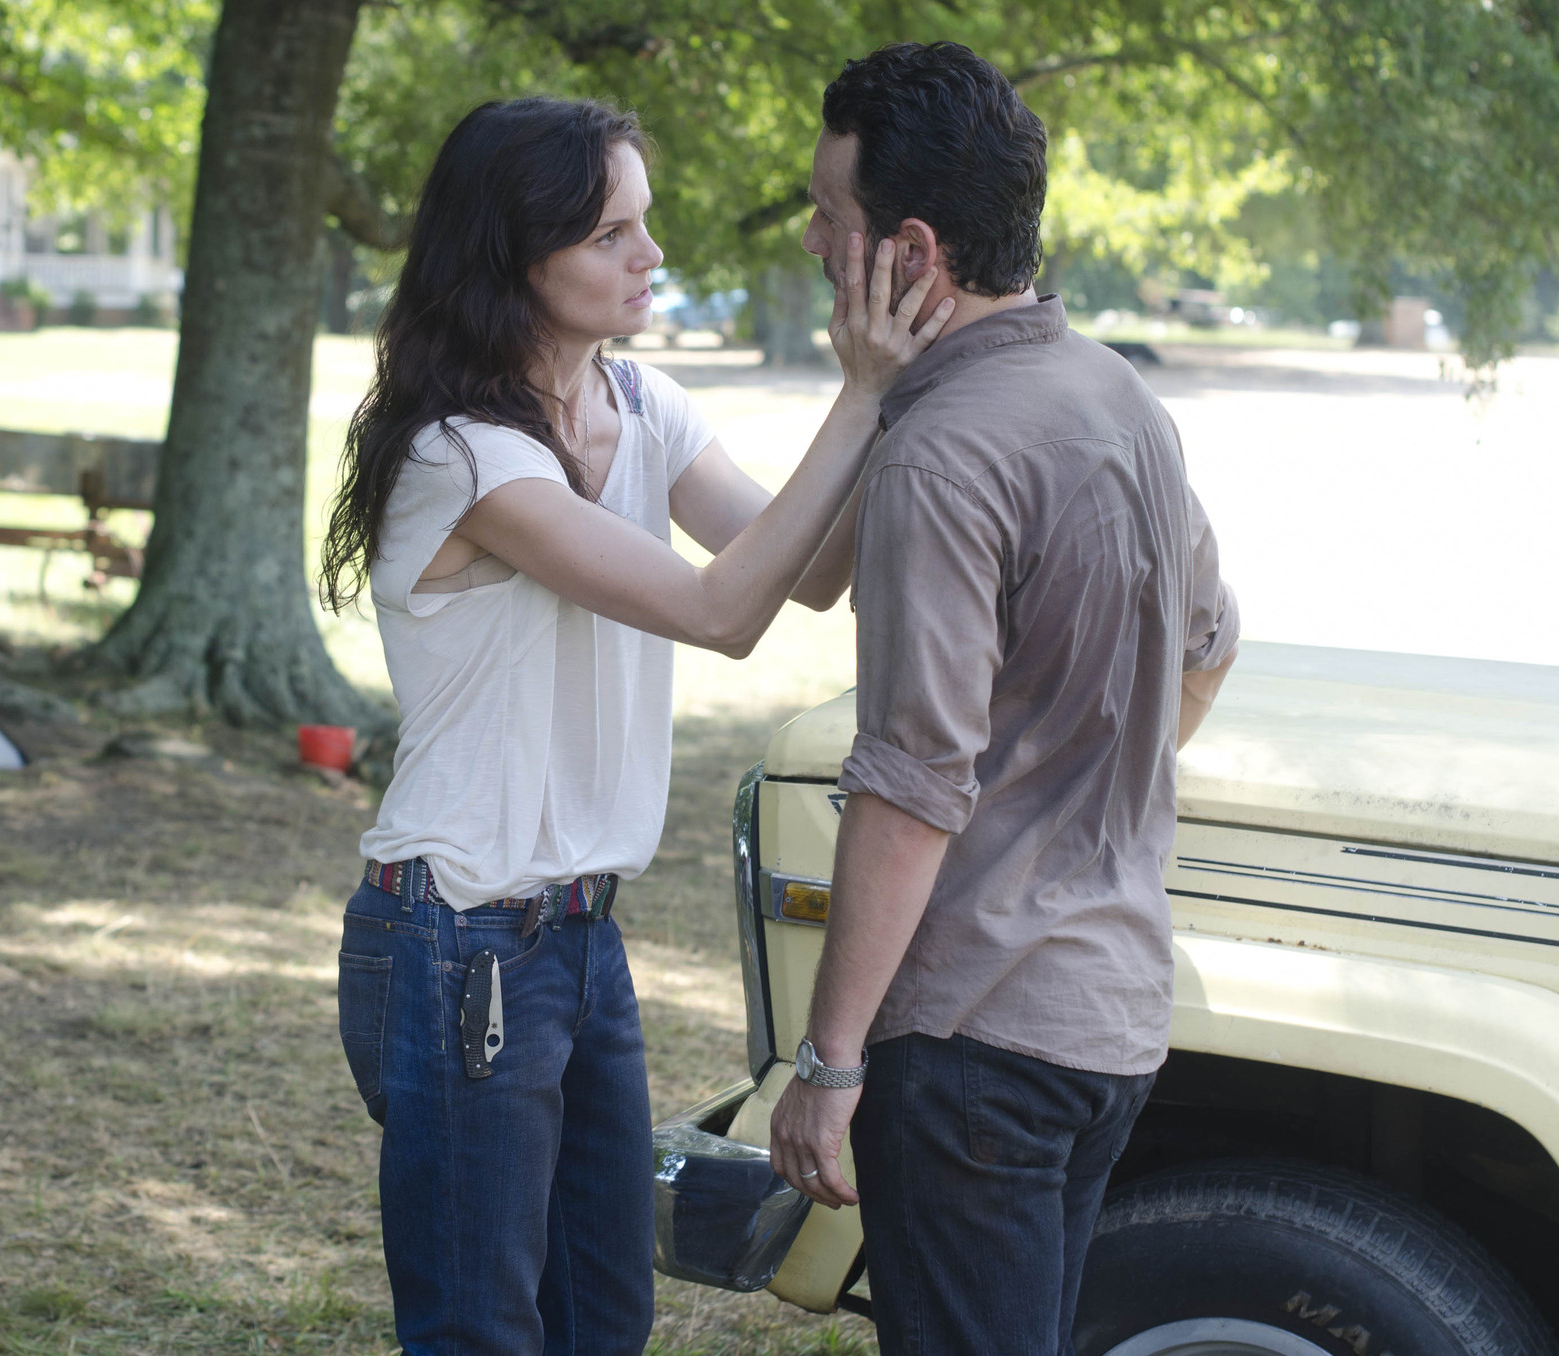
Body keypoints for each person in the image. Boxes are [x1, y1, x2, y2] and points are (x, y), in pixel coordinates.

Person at [319, 97, 951, 1355]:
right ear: (515, 252)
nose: (647, 256)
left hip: (577, 938)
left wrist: (912, 392)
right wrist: (859, 389)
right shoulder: (463, 455)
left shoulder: (641, 407)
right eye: (612, 233)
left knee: (603, 1317)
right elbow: (721, 611)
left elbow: (809, 571)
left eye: (643, 225)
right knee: (481, 1328)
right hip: (458, 938)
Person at [766, 42, 1240, 1356]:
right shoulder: (1114, 397)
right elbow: (1208, 646)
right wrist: (1075, 800)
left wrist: (829, 1063)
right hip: (1107, 1025)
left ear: (908, 251)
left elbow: (914, 776)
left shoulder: (946, 454)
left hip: (972, 1038)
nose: (811, 237)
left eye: (828, 214)